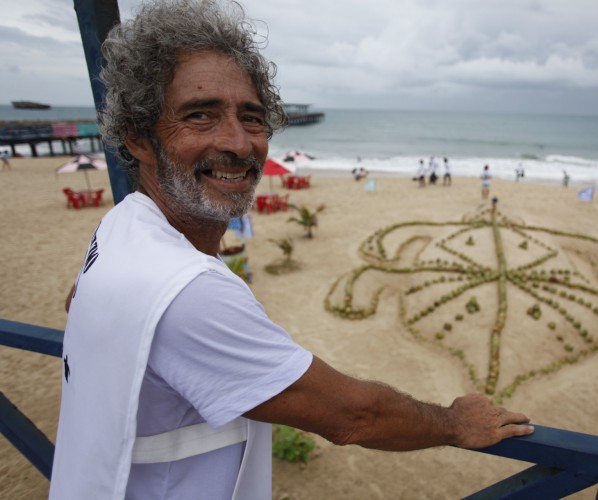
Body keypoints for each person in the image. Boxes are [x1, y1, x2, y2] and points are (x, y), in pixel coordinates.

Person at [49, 2, 532, 499]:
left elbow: (77, 299)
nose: (238, 143)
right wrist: (453, 423)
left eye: (252, 118)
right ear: (138, 137)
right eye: (200, 116)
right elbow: (353, 416)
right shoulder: (186, 292)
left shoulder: (123, 225)